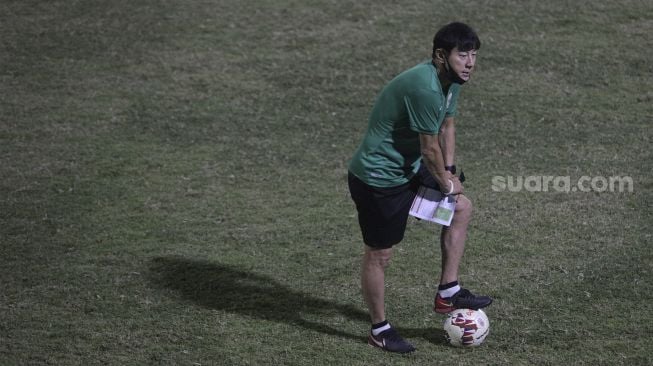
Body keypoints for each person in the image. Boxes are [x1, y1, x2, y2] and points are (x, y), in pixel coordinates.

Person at [347, 22, 492, 353]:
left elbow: (447, 124)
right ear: (441, 56)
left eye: (474, 55)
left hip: (409, 168)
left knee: (461, 207)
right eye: (463, 55)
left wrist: (451, 174)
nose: (470, 63)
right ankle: (379, 330)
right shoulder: (425, 87)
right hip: (379, 178)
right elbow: (429, 149)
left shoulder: (452, 81)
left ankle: (448, 291)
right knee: (380, 253)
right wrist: (444, 182)